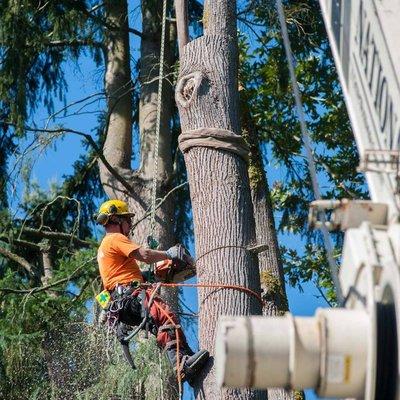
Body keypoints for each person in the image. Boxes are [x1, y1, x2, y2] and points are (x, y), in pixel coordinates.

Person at [95, 199, 209, 384]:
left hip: (122, 303)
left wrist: (107, 310)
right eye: (127, 220)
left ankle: (185, 361)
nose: (130, 225)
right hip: (131, 298)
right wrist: (169, 254)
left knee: (162, 322)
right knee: (166, 316)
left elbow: (104, 287)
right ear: (116, 219)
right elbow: (145, 256)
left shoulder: (103, 250)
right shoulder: (115, 239)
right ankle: (181, 364)